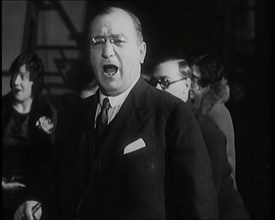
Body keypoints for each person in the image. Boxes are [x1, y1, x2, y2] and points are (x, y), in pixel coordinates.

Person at [15, 6, 218, 220]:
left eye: (118, 41)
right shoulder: (73, 115)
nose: (107, 51)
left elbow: (199, 208)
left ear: (141, 52)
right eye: (98, 41)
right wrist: (35, 200)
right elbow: (53, 181)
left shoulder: (172, 114)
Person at [152, 58, 250, 219]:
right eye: (153, 82)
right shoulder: (158, 125)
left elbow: (210, 198)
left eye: (164, 82)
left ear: (186, 85)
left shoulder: (205, 130)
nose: (156, 88)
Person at [2, 52, 57, 220]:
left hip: (32, 200)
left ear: (35, 81)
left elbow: (50, 161)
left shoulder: (46, 112)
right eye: (14, 76)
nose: (16, 82)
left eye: (23, 77)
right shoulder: (2, 108)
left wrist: (34, 199)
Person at [190, 52, 238, 189]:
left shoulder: (216, 112)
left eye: (193, 78)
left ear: (205, 82)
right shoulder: (207, 110)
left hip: (221, 195)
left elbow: (223, 163)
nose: (190, 83)